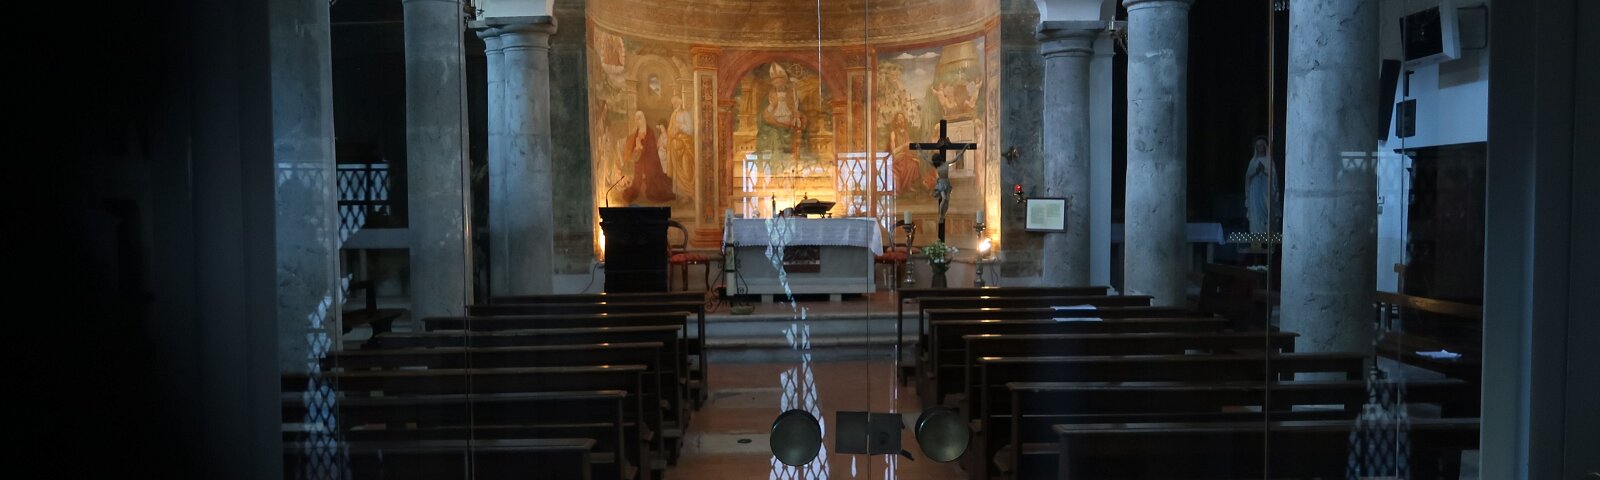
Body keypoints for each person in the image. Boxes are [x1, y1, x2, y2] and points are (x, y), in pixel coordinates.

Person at [621, 110, 676, 204]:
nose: (638, 121)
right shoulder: (637, 132)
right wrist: (636, 148)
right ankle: (636, 189)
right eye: (636, 119)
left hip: (649, 160)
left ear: (643, 119)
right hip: (640, 159)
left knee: (653, 189)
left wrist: (642, 148)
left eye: (639, 118)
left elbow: (652, 149)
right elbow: (634, 146)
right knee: (637, 177)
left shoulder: (650, 132)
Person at [663, 94, 696, 198]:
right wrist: (672, 133)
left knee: (686, 169)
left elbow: (690, 130)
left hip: (685, 145)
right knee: (677, 171)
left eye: (676, 103)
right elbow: (670, 130)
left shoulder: (685, 114)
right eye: (673, 104)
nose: (675, 105)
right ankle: (681, 195)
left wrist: (680, 126)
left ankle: (689, 192)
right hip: (675, 146)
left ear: (680, 102)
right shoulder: (673, 114)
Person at [1244, 135, 1275, 233]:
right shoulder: (1253, 161)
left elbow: (1274, 175)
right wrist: (1256, 171)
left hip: (1265, 189)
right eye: (1257, 146)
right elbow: (1248, 176)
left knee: (1265, 209)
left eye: (1261, 145)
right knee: (1255, 211)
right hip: (1254, 190)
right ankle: (1255, 234)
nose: (1259, 147)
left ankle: (1266, 234)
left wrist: (1264, 170)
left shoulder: (1269, 160)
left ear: (1265, 147)